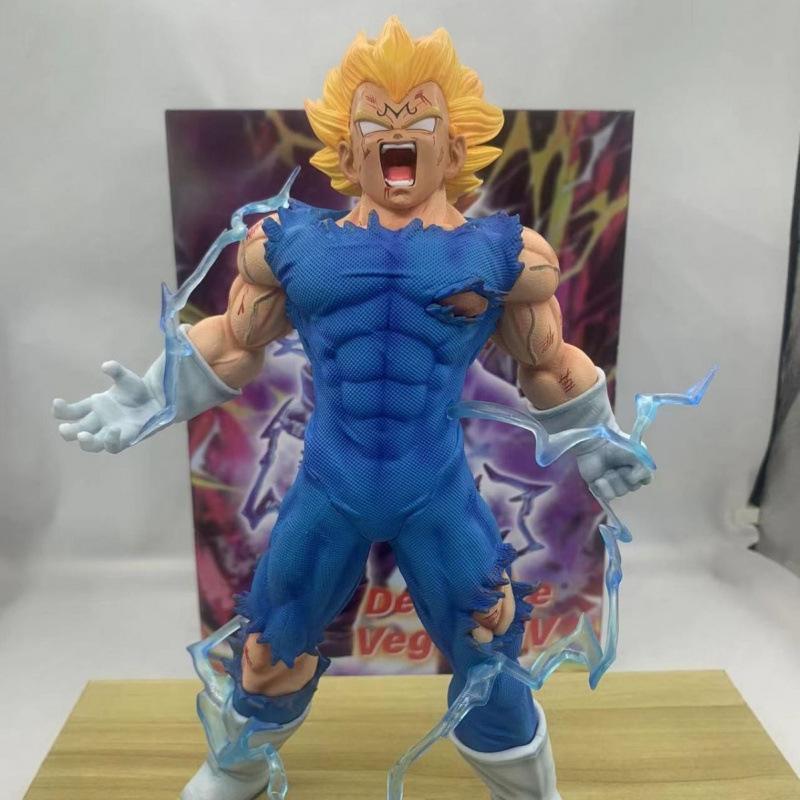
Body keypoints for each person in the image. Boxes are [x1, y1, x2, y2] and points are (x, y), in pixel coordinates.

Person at [53, 17, 651, 800]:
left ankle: (531, 791)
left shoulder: (503, 256)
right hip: (328, 489)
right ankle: (235, 773)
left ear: (454, 147)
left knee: (490, 654)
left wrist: (594, 432)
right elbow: (233, 339)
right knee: (270, 651)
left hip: (435, 492)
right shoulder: (292, 245)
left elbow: (547, 361)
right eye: (375, 119)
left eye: (418, 118)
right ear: (347, 145)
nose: (396, 131)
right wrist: (158, 393)